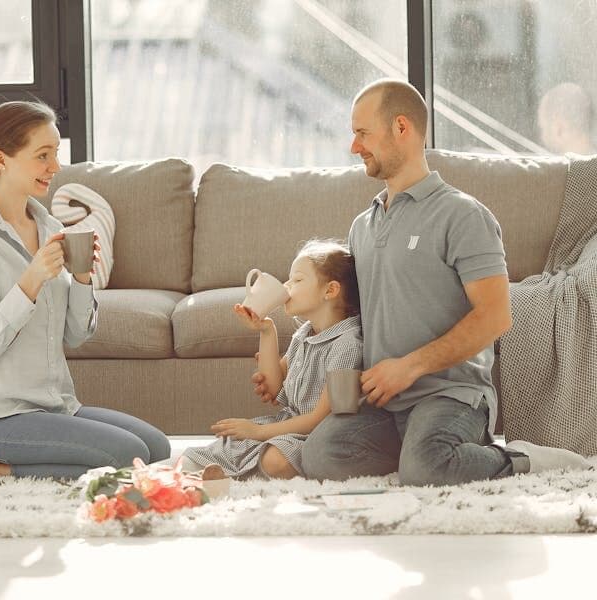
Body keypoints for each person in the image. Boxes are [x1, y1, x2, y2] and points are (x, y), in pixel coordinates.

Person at [252, 79, 590, 486]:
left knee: (425, 467)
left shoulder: (463, 216)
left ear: (401, 128)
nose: (353, 147)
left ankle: (520, 459)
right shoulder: (363, 225)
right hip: (382, 402)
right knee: (321, 455)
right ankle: (423, 452)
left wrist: (408, 368)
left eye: (362, 133)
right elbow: (346, 317)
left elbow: (496, 317)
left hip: (451, 395)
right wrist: (283, 356)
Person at [0, 100, 170, 479]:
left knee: (156, 449)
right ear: (1, 159)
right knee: (130, 454)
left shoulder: (48, 226)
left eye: (55, 153)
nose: (55, 167)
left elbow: (75, 336)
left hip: (55, 407)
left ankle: (8, 464)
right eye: (43, 155)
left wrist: (81, 279)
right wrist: (32, 277)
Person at [173, 239, 363, 479]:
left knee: (275, 459)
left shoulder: (347, 345)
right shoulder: (304, 334)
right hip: (289, 425)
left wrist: (258, 431)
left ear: (330, 290)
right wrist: (266, 331)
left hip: (318, 433)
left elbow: (319, 419)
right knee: (233, 444)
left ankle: (234, 472)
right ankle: (210, 469)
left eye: (297, 280)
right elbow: (273, 389)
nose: (286, 286)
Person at [537, 82, 596, 155]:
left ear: (559, 129)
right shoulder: (592, 162)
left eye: (543, 128)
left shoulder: (561, 166)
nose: (542, 137)